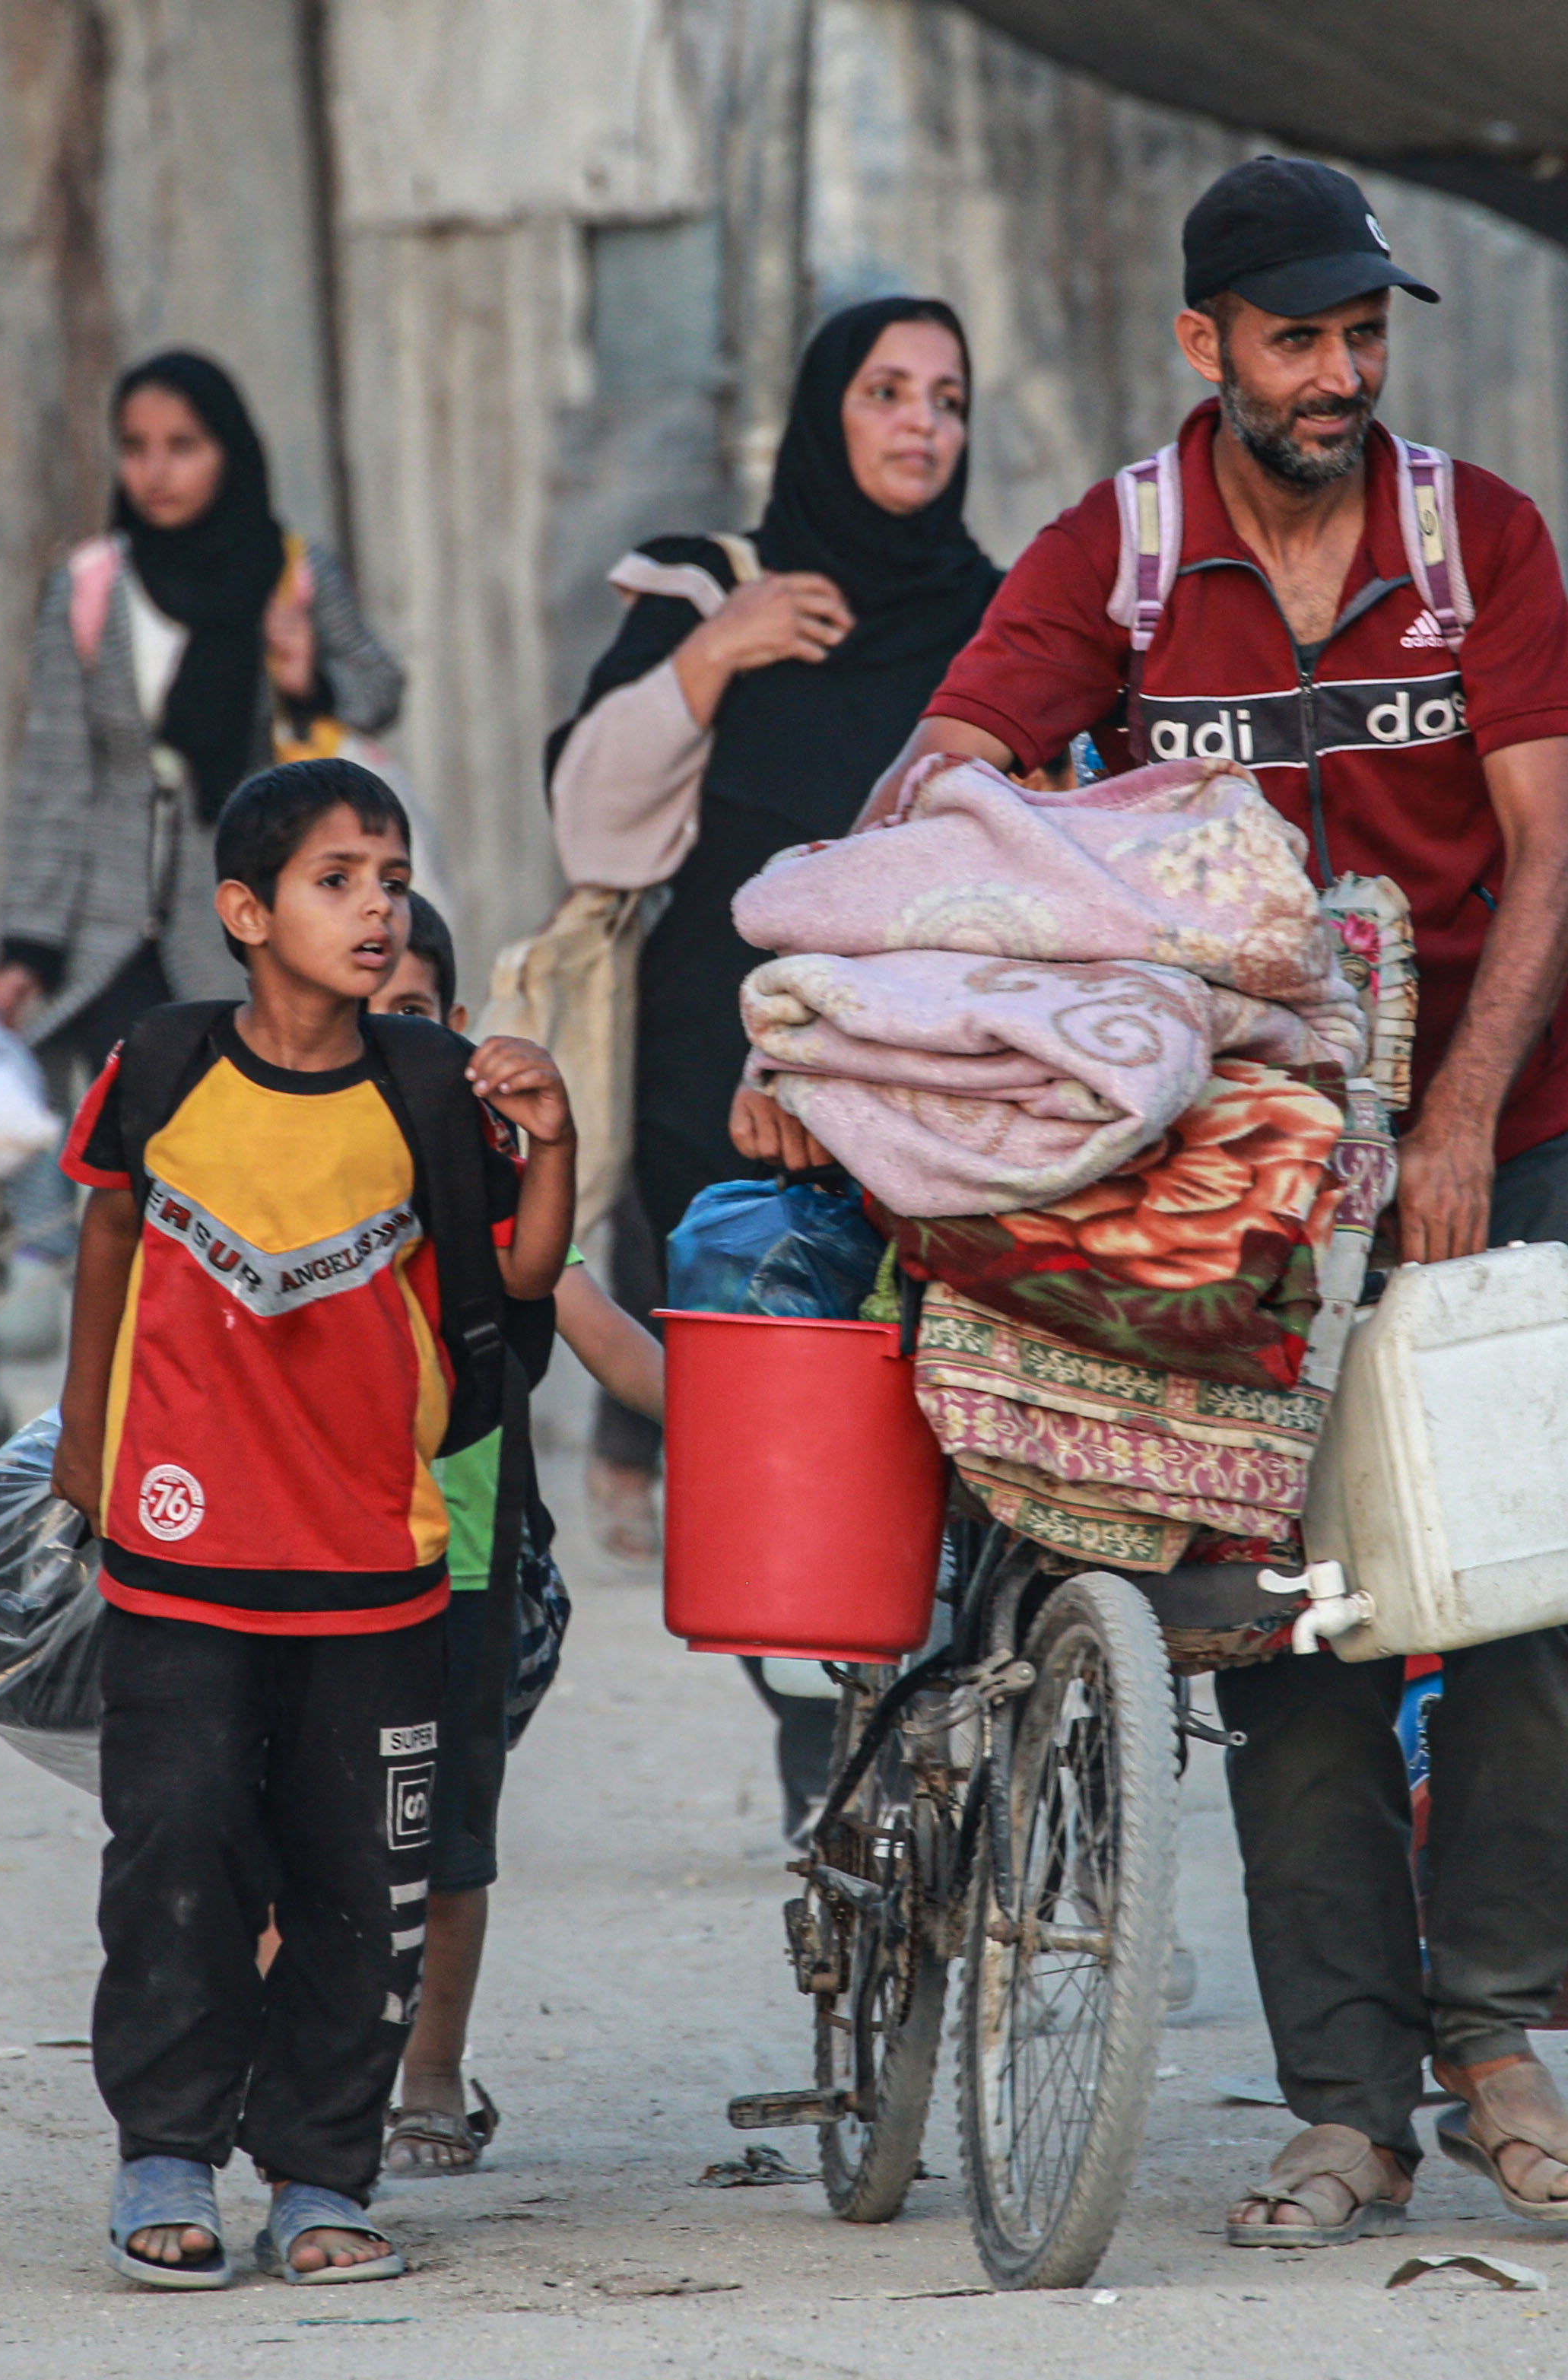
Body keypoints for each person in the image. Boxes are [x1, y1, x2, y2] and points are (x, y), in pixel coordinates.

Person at [852, 157, 1568, 2245]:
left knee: (1526, 1592)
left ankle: (1495, 2041)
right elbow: (940, 781)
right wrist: (1012, 908)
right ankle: (1349, 2107)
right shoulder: (1113, 557)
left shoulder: (1484, 545)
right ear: (1204, 347)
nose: (1340, 373)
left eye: (1364, 334)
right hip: (1243, 1172)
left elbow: (1556, 847)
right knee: (1290, 1635)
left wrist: (1461, 1112)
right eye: (1298, 337)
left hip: (1494, 1123)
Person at [52, 759, 575, 2286]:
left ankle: (323, 2171)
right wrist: (86, 1449)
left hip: (376, 1557)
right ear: (244, 911)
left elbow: (525, 1271)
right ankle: (164, 2147)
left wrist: (557, 1137)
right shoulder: (157, 1067)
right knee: (175, 1842)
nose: (375, 905)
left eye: (391, 876)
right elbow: (105, 1237)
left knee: (360, 1878)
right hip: (182, 1547)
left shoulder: (426, 1082)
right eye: (337, 878)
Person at [544, 294, 998, 1823]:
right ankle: (816, 1722)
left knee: (942, 1392)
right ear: (825, 412)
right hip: (715, 1081)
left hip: (925, 1070)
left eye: (945, 396)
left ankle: (952, 1724)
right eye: (886, 391)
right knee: (770, 1412)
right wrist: (717, 652)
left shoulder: (996, 620)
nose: (921, 423)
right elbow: (592, 818)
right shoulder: (709, 586)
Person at [365, 894, 668, 2178]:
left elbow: (610, 1342)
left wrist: (786, 1426)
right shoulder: (263, 1163)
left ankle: (428, 2076)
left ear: (462, 1031)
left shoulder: (490, 1181)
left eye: (418, 1017)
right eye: (367, 1016)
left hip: (469, 1557)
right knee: (284, 1831)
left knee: (444, 1838)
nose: (391, 1042)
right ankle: (305, 2062)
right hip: (303, 1541)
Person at [0, 350, 405, 1228]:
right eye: (135, 447)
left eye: (183, 445)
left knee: (247, 1151)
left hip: (242, 918)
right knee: (133, 1163)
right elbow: (57, 768)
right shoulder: (93, 585)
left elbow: (379, 690)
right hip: (109, 920)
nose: (156, 471)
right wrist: (28, 940)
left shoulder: (292, 573)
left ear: (230, 451)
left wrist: (304, 674)